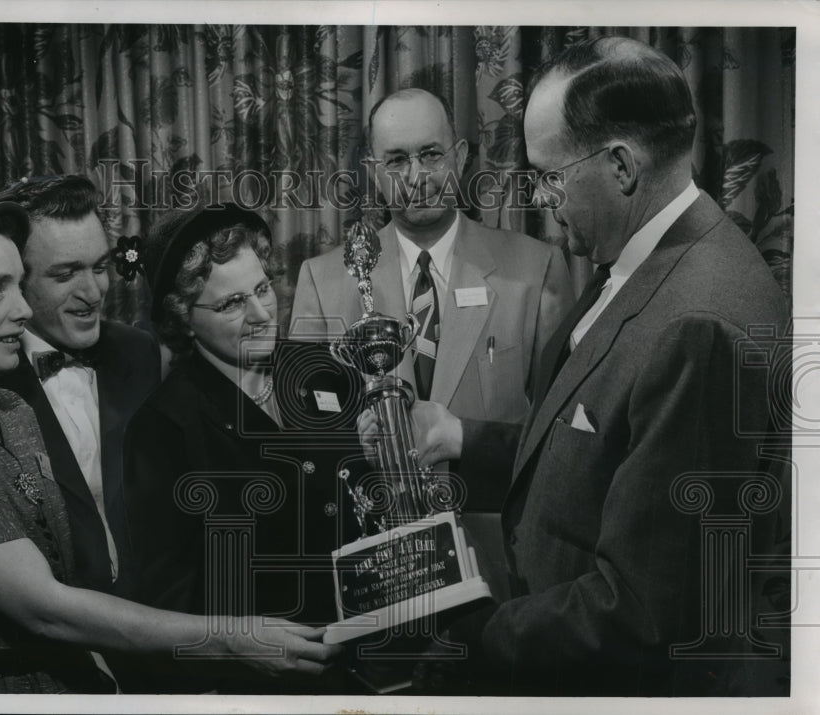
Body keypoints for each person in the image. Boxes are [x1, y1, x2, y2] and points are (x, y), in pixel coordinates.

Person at [387, 36, 789, 695]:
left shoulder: (698, 326)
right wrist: (457, 438)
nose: (540, 197)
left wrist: (472, 632)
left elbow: (642, 607)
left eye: (550, 174)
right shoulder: (644, 255)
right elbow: (599, 444)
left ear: (622, 167)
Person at [0, 194, 340, 693]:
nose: (25, 309)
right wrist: (233, 639)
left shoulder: (13, 411)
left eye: (19, 285)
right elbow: (46, 610)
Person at [290, 87, 574, 511]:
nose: (416, 176)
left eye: (431, 154)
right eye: (397, 160)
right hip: (381, 550)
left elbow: (567, 438)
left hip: (497, 549)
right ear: (373, 170)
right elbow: (304, 442)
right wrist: (354, 442)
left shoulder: (536, 270)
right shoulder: (321, 281)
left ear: (459, 158)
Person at [124, 201, 367, 693]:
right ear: (183, 317)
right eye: (232, 304)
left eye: (262, 289)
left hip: (372, 658)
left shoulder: (323, 370)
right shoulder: (163, 428)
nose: (261, 315)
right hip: (265, 683)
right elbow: (169, 601)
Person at [0, 175, 161, 605]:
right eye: (66, 274)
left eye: (100, 267)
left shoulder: (140, 355)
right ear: (16, 280)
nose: (94, 292)